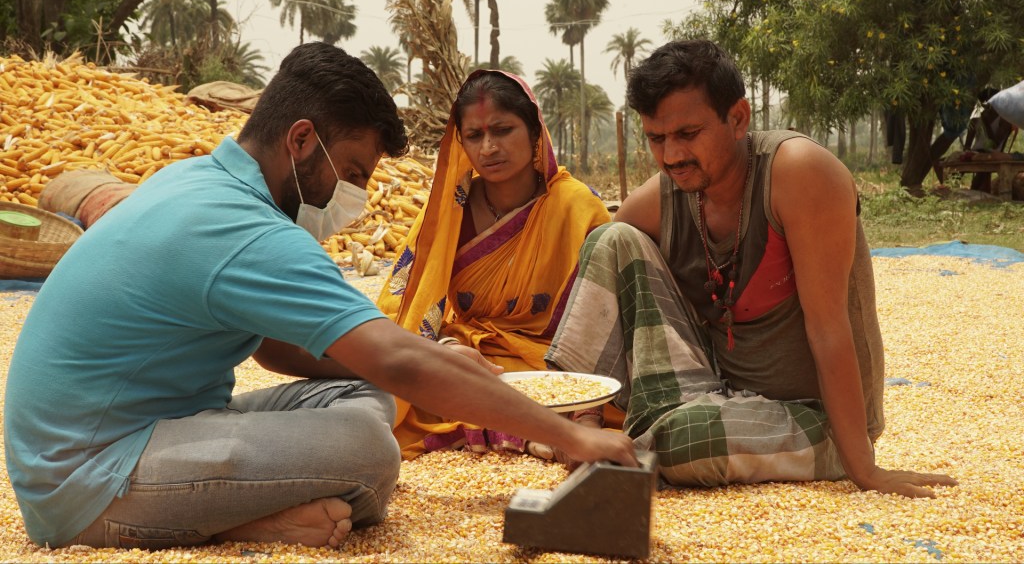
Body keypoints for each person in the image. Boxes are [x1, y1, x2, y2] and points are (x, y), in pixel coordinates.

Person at [3, 44, 637, 551]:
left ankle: (231, 507)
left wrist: (432, 369)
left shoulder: (198, 180)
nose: (354, 197)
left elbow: (282, 351)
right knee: (365, 453)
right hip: (84, 476)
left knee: (368, 394)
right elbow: (396, 357)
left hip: (145, 429)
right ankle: (228, 522)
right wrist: (572, 437)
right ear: (302, 141)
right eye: (354, 174)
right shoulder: (247, 230)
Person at [545, 39, 957, 498]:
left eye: (688, 133)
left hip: (813, 417)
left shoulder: (798, 174)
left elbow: (829, 330)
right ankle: (585, 434)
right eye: (656, 139)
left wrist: (864, 469)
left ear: (738, 118)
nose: (671, 155)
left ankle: (642, 447)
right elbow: (608, 290)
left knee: (689, 440)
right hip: (711, 392)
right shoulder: (665, 196)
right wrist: (585, 424)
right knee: (610, 238)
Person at [377, 69, 613, 459]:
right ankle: (529, 427)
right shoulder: (449, 209)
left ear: (535, 132)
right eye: (474, 135)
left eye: (502, 130)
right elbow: (405, 300)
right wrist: (445, 346)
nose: (488, 147)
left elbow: (603, 313)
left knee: (587, 392)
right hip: (474, 360)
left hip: (552, 360)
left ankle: (531, 422)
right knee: (410, 388)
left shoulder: (576, 207)